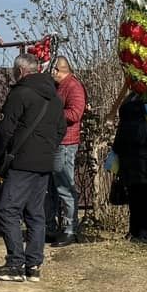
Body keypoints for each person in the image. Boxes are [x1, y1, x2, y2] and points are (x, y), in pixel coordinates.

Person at [0, 51, 64, 283]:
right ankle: (34, 265)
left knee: (7, 210)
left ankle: (15, 264)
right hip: (44, 161)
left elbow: (4, 130)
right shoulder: (54, 97)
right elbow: (61, 129)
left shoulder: (20, 94)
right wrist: (47, 149)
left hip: (21, 161)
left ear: (20, 71)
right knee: (35, 213)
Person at [48, 54, 88, 245]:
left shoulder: (73, 87)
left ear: (58, 70)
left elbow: (75, 113)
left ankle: (70, 229)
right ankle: (53, 226)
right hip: (55, 142)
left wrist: (49, 112)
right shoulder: (58, 87)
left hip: (65, 143)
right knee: (53, 188)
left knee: (65, 187)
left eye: (52, 70)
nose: (50, 73)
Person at [113, 94, 147, 242]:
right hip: (144, 168)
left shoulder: (123, 126)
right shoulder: (146, 125)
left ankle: (133, 230)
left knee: (134, 200)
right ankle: (143, 231)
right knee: (145, 200)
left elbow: (117, 147)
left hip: (129, 167)